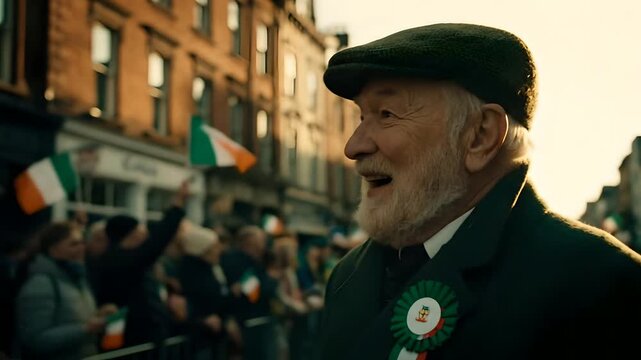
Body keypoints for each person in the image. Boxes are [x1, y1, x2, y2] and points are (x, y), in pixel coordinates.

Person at [319, 23, 641, 360]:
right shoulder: (349, 275)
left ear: (480, 136)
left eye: (387, 114)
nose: (353, 146)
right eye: (361, 116)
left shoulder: (599, 283)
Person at [93, 182, 188, 348]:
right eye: (139, 231)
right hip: (134, 339)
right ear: (131, 235)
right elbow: (157, 242)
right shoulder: (120, 260)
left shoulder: (119, 259)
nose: (144, 236)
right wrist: (177, 205)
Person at [15, 221, 117, 360]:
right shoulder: (40, 285)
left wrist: (98, 315)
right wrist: (85, 329)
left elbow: (72, 318)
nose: (82, 248)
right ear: (54, 250)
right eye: (74, 244)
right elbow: (35, 340)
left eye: (82, 242)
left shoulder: (77, 279)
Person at [221, 225, 279, 360]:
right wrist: (269, 281)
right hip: (244, 322)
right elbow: (254, 293)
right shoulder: (235, 261)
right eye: (261, 241)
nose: (264, 246)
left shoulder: (257, 263)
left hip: (256, 323)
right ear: (249, 242)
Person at [179, 222, 231, 360]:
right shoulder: (188, 272)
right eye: (214, 247)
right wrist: (202, 319)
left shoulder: (213, 268)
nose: (219, 250)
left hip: (214, 336)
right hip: (198, 340)